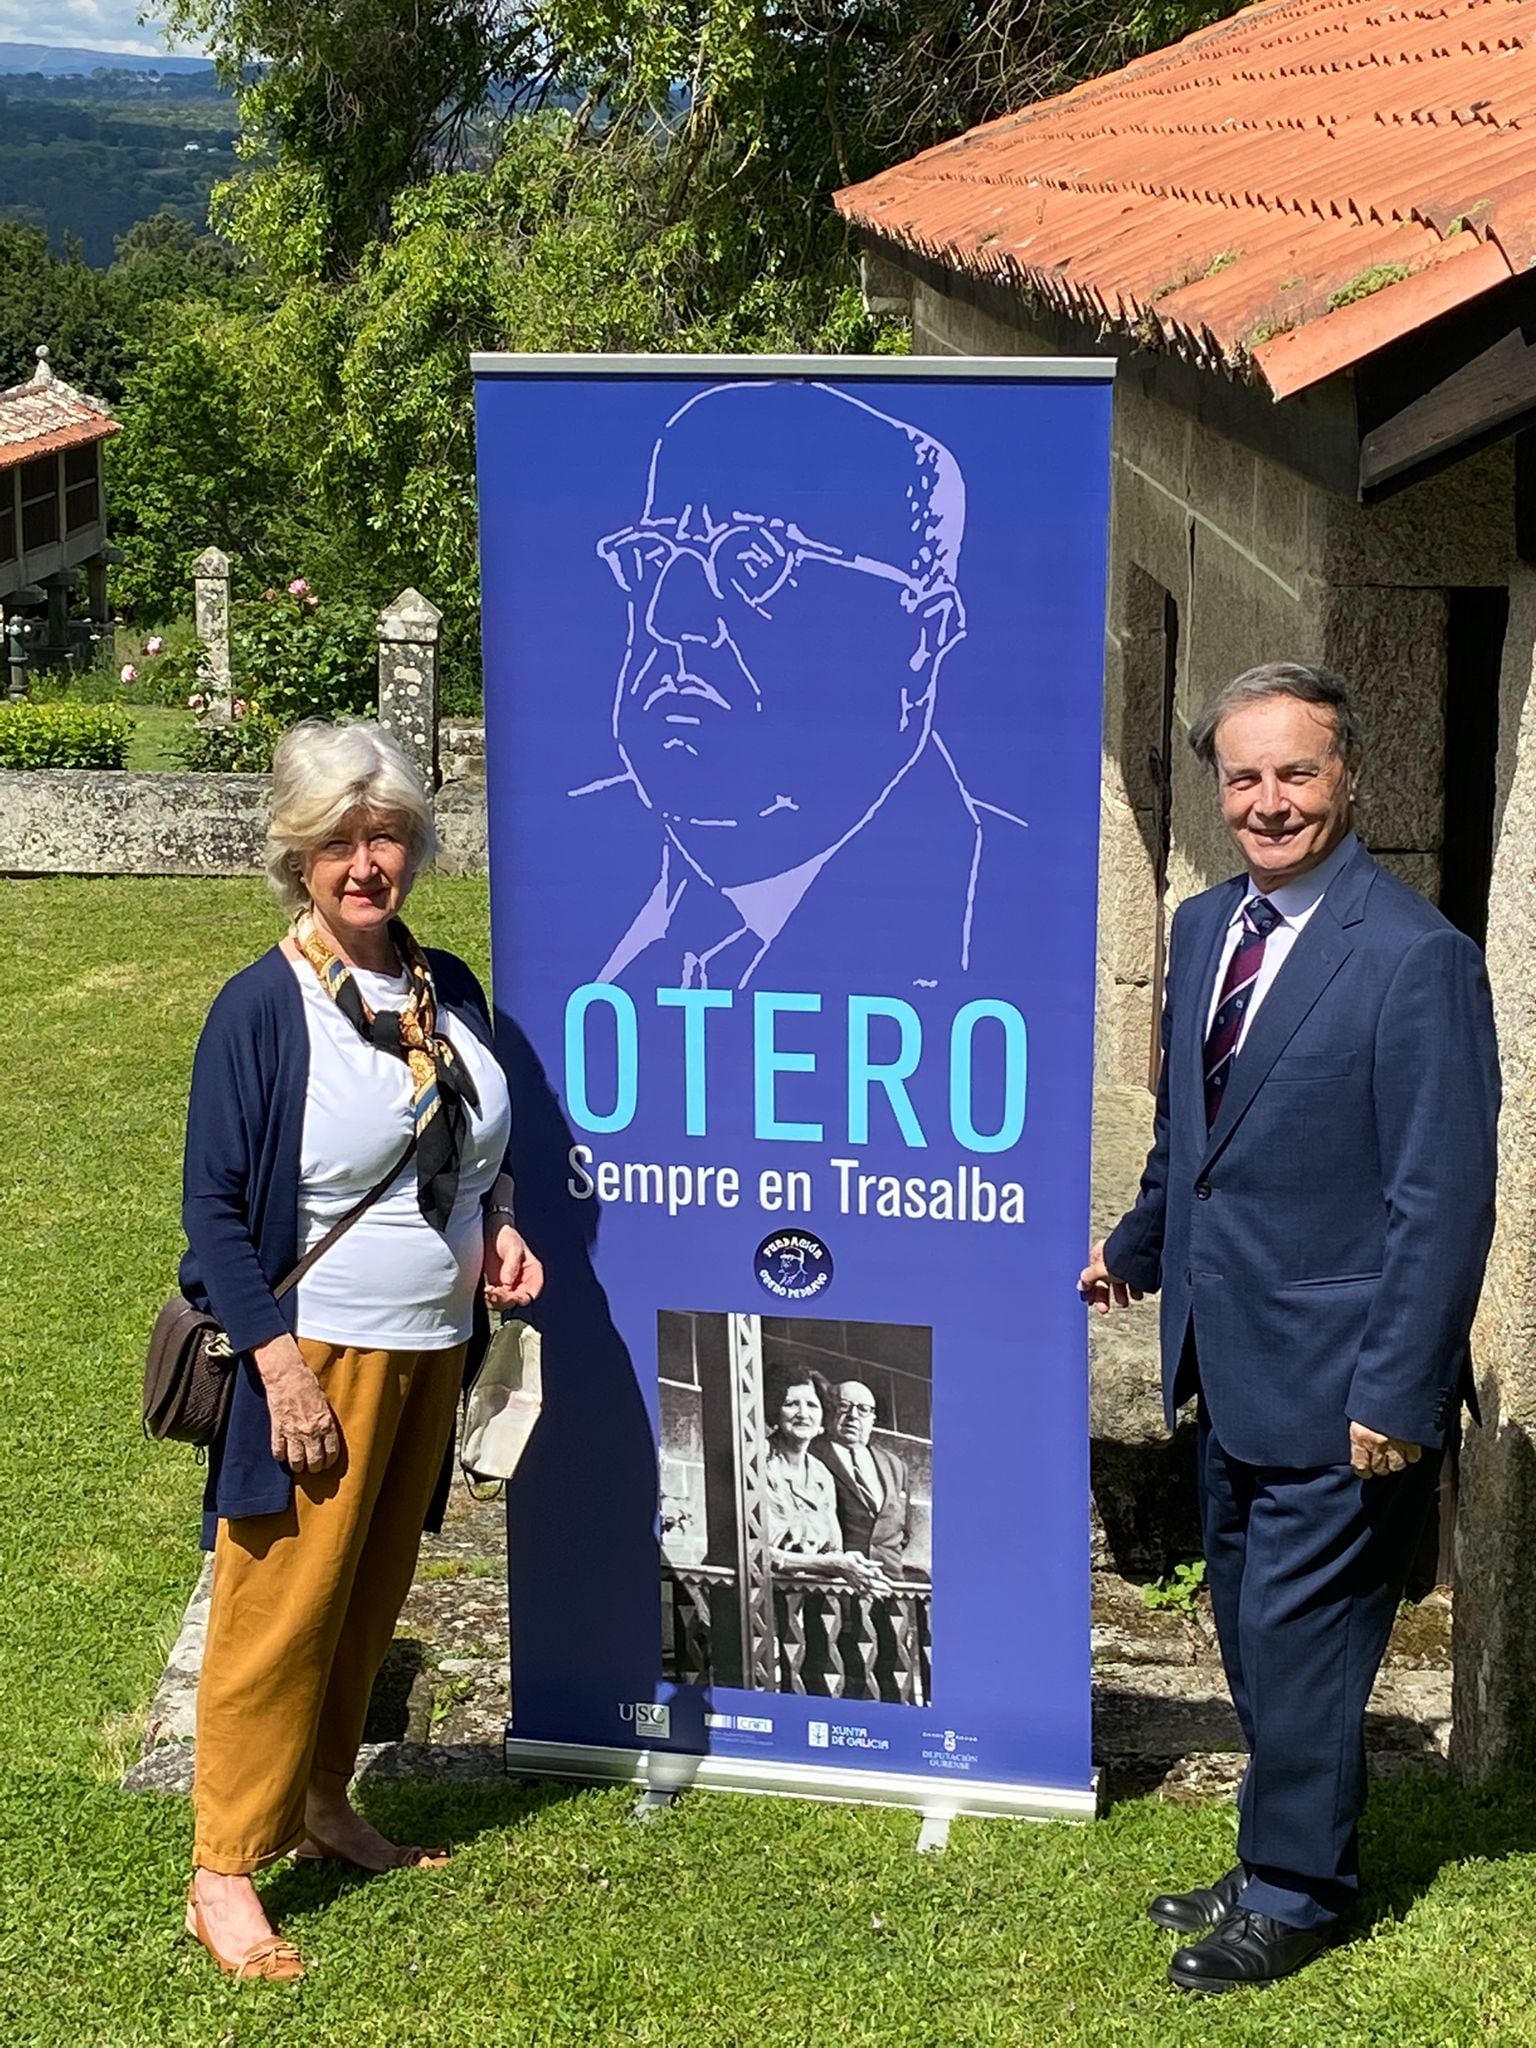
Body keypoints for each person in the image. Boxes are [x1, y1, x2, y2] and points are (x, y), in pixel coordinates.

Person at [1080, 663, 1499, 1993]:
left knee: (1311, 1644)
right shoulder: (1207, 927)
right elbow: (1192, 1141)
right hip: (1222, 1356)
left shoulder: (1420, 962)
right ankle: (1279, 1845)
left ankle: (1297, 1891)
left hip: (1341, 1383)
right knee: (1257, 1633)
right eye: (1243, 777)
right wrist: (1137, 1250)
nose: (1268, 801)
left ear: (1351, 777)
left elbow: (1441, 1199)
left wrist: (1398, 1390)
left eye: (1295, 772)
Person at [178, 719, 543, 1982]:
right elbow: (214, 1212)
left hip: (434, 1343)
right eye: (338, 840)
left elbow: (483, 1146)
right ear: (299, 855)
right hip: (316, 1352)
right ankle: (223, 1866)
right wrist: (277, 1367)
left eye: (384, 833)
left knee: (367, 1593)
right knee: (277, 1607)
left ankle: (323, 1801)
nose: (364, 861)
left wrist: (501, 1229)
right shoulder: (262, 1007)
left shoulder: (446, 982)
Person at [579, 380, 1031, 993]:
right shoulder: (571, 849)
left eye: (751, 564)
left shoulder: (1015, 899)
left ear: (923, 637)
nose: (669, 618)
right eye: (654, 560)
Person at [762, 1371, 886, 1591]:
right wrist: (833, 1564)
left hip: (805, 1600)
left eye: (812, 1405)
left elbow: (832, 1550)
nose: (803, 1414)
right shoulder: (759, 1460)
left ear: (823, 1414)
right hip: (757, 1595)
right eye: (791, 1404)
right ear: (775, 1410)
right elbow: (753, 1552)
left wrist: (854, 1563)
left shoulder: (821, 1473)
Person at [811, 1380, 912, 1573]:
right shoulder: (811, 1454)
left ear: (872, 1418)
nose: (853, 1416)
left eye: (863, 1409)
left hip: (890, 1585)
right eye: (844, 1406)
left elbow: (904, 1531)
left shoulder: (895, 1465)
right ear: (829, 1410)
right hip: (835, 1584)